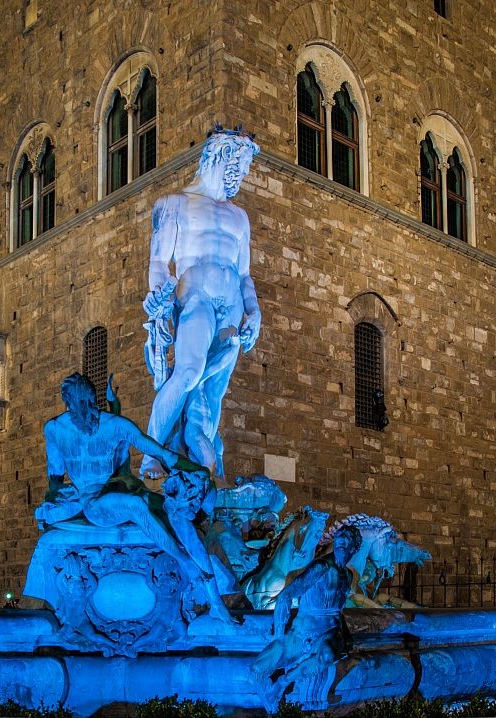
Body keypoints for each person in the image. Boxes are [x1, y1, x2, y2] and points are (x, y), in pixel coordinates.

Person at [39, 372, 234, 622]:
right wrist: (54, 503)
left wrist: (197, 470)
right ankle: (184, 561)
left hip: (120, 490)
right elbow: (54, 478)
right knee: (135, 504)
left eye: (83, 403)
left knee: (175, 512)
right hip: (94, 504)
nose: (79, 409)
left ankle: (215, 597)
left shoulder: (116, 426)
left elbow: (162, 453)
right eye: (76, 404)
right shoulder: (55, 430)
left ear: (89, 399)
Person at [142, 127, 262, 478]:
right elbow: (159, 263)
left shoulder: (240, 217)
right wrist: (161, 298)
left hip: (233, 308)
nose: (242, 176)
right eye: (239, 167)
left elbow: (244, 275)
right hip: (195, 298)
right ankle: (151, 454)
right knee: (189, 371)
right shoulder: (174, 204)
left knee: (212, 392)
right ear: (221, 155)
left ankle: (201, 466)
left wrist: (254, 311)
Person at [250, 524, 362, 709]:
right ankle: (270, 702)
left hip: (329, 634)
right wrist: (278, 635)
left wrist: (346, 634)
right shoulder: (322, 567)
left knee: (326, 654)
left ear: (355, 547)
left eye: (347, 537)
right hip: (302, 632)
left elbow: (338, 611)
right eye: (339, 536)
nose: (341, 540)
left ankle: (284, 682)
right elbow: (286, 595)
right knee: (256, 671)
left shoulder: (349, 576)